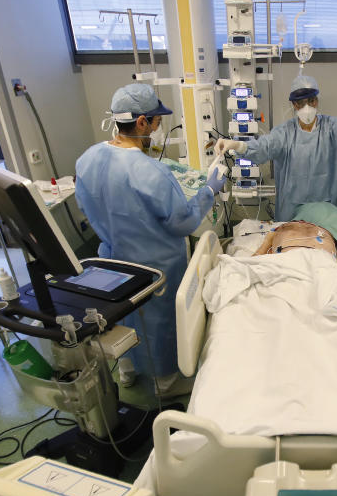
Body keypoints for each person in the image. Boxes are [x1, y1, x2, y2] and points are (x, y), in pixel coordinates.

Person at [75, 83, 226, 396]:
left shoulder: (87, 159)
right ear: (141, 122)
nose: (158, 129)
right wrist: (210, 190)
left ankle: (127, 370)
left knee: (120, 316)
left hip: (111, 258)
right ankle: (165, 381)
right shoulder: (147, 171)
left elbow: (88, 203)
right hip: (153, 264)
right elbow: (181, 221)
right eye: (156, 122)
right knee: (157, 321)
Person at [213, 75, 337, 222]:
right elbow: (264, 146)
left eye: (311, 101)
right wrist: (235, 144)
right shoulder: (285, 133)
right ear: (294, 105)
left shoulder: (332, 129)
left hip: (328, 215)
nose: (307, 107)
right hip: (293, 215)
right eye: (301, 103)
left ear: (317, 100)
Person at [253, 221, 337, 301]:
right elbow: (256, 259)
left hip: (324, 268)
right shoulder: (278, 229)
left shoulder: (331, 232)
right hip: (288, 265)